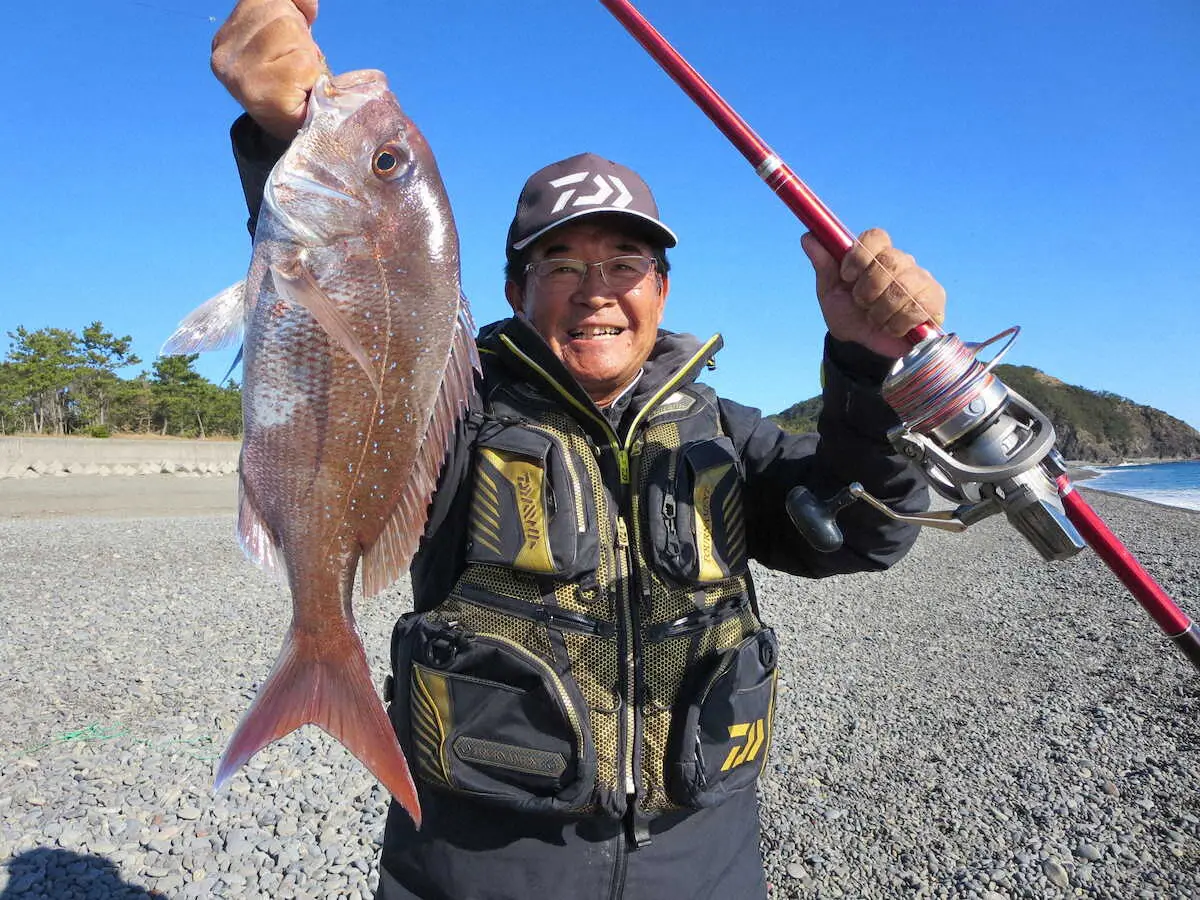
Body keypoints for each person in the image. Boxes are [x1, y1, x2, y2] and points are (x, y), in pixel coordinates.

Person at [211, 2, 948, 898]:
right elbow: (354, 326)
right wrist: (280, 139)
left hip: (704, 867)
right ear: (517, 290)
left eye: (624, 263)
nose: (595, 291)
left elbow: (864, 534)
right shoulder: (462, 415)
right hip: (479, 871)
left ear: (662, 291)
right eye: (561, 264)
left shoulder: (724, 433)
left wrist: (874, 370)